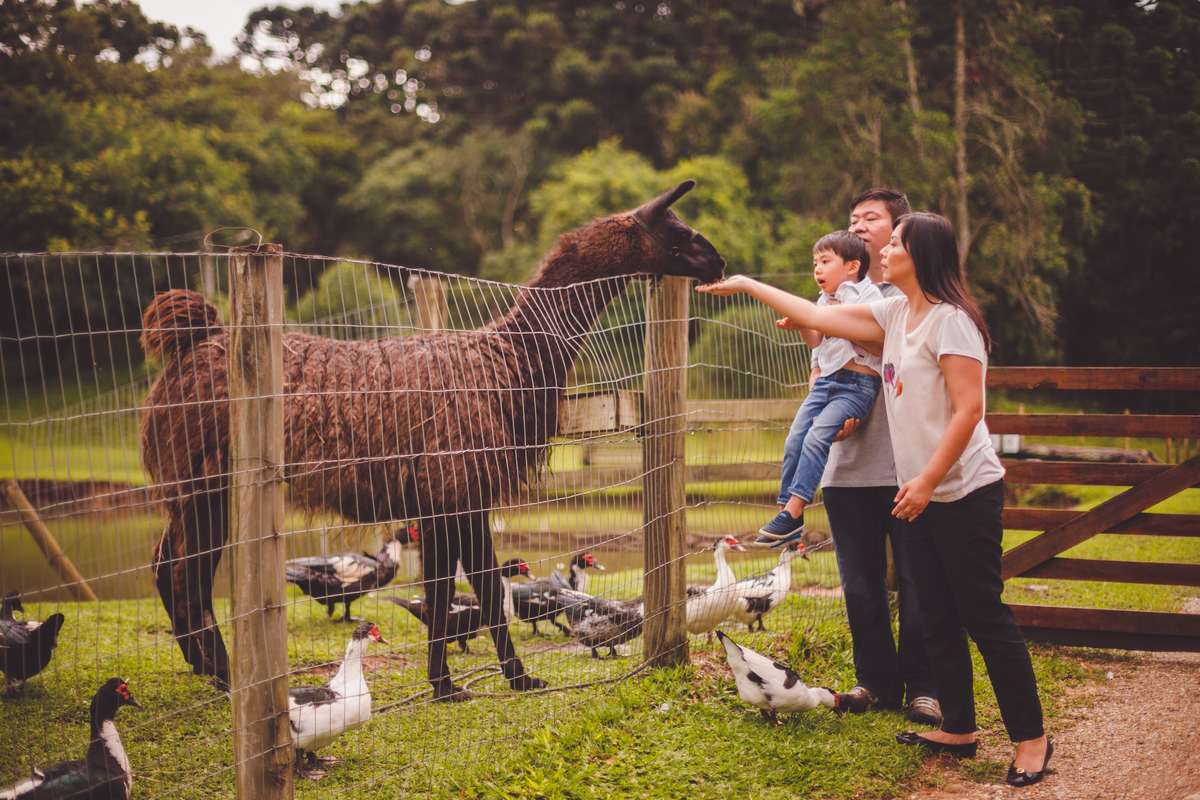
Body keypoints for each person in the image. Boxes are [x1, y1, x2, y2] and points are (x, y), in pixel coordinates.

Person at [697, 212, 1052, 788]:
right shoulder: (893, 313)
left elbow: (969, 411)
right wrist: (746, 285)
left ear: (924, 255)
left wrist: (930, 480)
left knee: (982, 614)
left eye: (898, 244)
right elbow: (816, 313)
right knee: (936, 614)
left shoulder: (952, 322)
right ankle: (959, 727)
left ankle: (1031, 739)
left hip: (963, 492)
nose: (884, 250)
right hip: (918, 494)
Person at [801, 189, 941, 726]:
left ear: (899, 229)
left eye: (871, 218)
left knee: (916, 582)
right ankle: (876, 684)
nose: (858, 226)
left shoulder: (916, 296)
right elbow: (821, 365)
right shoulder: (834, 293)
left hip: (906, 466)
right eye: (852, 218)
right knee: (860, 586)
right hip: (848, 468)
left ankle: (925, 687)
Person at [755, 230, 883, 544]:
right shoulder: (823, 301)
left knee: (816, 437)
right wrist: (803, 325)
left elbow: (869, 333)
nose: (817, 270)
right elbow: (817, 341)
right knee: (794, 439)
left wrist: (821, 316)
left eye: (825, 262)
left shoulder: (869, 296)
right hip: (826, 382)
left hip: (856, 386)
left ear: (852, 267)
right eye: (815, 263)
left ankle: (796, 511)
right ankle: (786, 510)